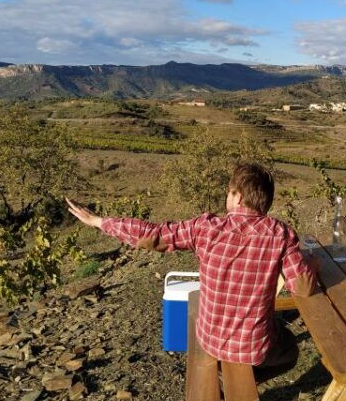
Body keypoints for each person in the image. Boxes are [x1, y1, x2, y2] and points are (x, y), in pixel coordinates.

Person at [66, 162, 319, 382]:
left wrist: (100, 222)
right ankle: (249, 384)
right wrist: (310, 262)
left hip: (209, 340)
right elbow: (303, 289)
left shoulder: (206, 228)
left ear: (238, 197)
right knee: (290, 350)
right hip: (251, 349)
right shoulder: (280, 234)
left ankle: (240, 387)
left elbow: (153, 235)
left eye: (229, 194)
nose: (227, 199)